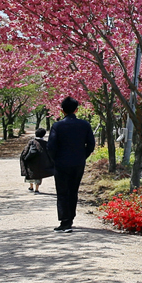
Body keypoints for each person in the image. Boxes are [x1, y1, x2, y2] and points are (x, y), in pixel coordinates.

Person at [46, 96, 96, 232]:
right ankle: (70, 219)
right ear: (76, 110)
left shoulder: (57, 126)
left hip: (61, 163)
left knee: (62, 191)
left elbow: (51, 146)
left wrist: (55, 159)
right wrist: (82, 156)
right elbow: (91, 144)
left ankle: (65, 221)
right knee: (73, 190)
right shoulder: (85, 125)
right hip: (78, 163)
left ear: (62, 110)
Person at [20, 128, 53, 193]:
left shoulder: (31, 141)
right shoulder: (45, 143)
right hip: (41, 161)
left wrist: (24, 157)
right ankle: (37, 189)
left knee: (31, 173)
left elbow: (26, 150)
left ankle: (31, 187)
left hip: (31, 160)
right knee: (39, 174)